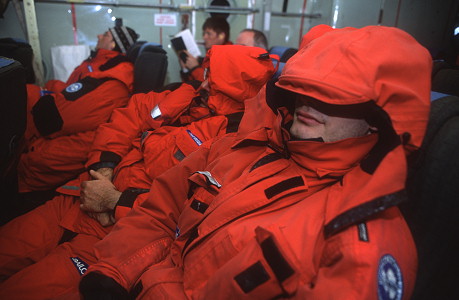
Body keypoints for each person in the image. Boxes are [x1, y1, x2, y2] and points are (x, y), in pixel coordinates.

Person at [78, 25, 432, 299]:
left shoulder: (358, 246)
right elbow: (162, 208)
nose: (307, 105)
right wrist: (113, 272)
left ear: (376, 121)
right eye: (302, 90)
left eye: (334, 99)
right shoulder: (243, 147)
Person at [0, 45, 275, 300]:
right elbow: (124, 118)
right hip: (77, 198)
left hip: (112, 236)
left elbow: (185, 212)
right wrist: (103, 170)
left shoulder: (233, 148)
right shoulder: (181, 96)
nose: (202, 84)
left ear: (234, 92)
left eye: (213, 82)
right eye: (206, 73)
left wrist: (115, 200)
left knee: (21, 291)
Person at [16, 26, 139, 198]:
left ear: (113, 44)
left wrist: (40, 96)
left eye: (105, 34)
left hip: (42, 159)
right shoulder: (101, 63)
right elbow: (71, 93)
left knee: (18, 97)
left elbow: (55, 117)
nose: (98, 35)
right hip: (58, 128)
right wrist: (49, 89)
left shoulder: (115, 80)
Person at [179, 17, 231, 81]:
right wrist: (186, 69)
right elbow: (194, 85)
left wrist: (195, 68)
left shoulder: (229, 57)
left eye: (209, 34)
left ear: (221, 36)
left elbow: (213, 84)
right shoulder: (211, 56)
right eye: (204, 33)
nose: (204, 37)